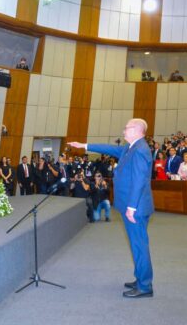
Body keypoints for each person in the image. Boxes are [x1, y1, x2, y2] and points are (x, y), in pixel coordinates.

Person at [69, 118, 154, 298]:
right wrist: (84, 145)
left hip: (135, 207)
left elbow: (139, 181)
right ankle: (140, 278)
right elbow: (108, 148)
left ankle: (145, 286)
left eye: (126, 128)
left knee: (139, 245)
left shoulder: (140, 150)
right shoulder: (131, 148)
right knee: (137, 245)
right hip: (132, 206)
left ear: (137, 130)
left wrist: (131, 208)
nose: (123, 131)